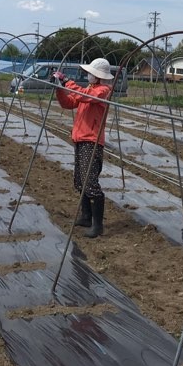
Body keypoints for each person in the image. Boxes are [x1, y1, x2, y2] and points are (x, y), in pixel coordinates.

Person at [53, 57, 114, 238]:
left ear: (98, 75)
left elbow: (84, 97)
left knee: (90, 182)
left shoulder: (103, 91)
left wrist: (66, 81)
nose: (87, 76)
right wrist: (59, 88)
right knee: (80, 181)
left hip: (92, 141)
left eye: (90, 73)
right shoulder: (89, 89)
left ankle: (98, 225)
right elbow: (68, 103)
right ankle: (86, 216)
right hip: (80, 139)